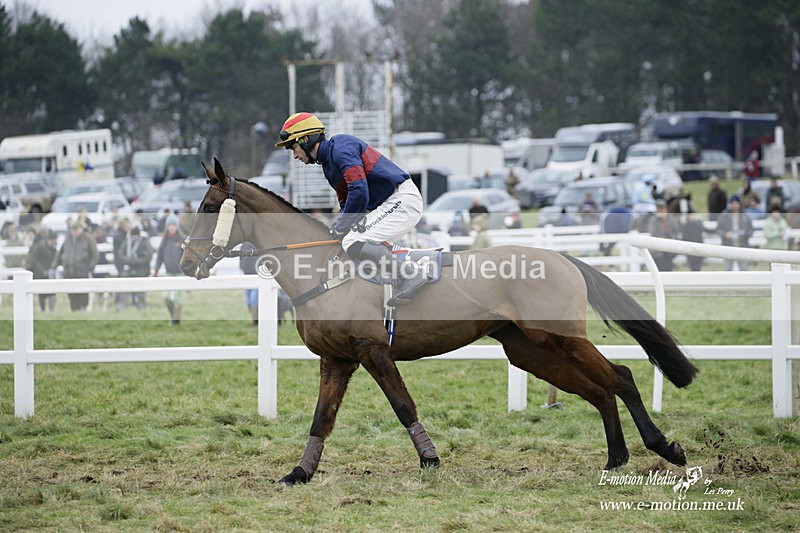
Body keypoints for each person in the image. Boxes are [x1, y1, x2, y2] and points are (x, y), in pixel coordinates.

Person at [275, 112, 425, 305]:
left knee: (354, 240)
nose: (295, 155)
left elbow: (359, 190)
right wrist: (338, 228)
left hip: (402, 200)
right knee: (348, 240)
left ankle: (410, 274)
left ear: (306, 139)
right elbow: (346, 202)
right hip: (390, 203)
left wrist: (341, 226)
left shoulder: (341, 148)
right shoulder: (328, 165)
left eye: (294, 148)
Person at [52, 220, 99, 311]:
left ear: (81, 229)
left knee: (83, 295)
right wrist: (54, 266)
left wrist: (90, 267)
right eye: (72, 230)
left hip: (82, 272)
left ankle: (83, 311)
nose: (74, 232)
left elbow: (95, 255)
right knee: (72, 296)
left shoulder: (88, 239)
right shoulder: (68, 239)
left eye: (76, 229)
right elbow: (60, 253)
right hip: (69, 272)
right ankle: (74, 313)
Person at [154, 215, 185, 325]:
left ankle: (176, 321)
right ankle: (173, 316)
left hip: (179, 274)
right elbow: (159, 257)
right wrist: (156, 271)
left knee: (177, 299)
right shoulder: (164, 241)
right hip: (168, 273)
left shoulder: (182, 240)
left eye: (173, 225)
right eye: (169, 225)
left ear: (176, 226)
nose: (171, 227)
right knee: (166, 297)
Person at [118, 225, 154, 310]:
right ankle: (123, 309)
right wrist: (128, 260)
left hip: (140, 270)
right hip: (128, 270)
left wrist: (138, 261)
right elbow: (120, 254)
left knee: (141, 292)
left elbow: (149, 255)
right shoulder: (127, 242)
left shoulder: (144, 242)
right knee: (124, 291)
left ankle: (142, 309)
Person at [716, 195, 754, 271]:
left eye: (736, 203)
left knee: (743, 269)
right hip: (728, 246)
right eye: (733, 203)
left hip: (742, 245)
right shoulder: (725, 215)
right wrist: (725, 234)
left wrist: (745, 234)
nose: (735, 205)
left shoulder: (744, 216)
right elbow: (718, 229)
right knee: (728, 269)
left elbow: (751, 229)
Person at [25, 230, 58, 311]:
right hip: (40, 273)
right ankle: (43, 310)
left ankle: (51, 311)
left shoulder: (52, 248)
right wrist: (42, 270)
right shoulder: (40, 246)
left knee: (52, 293)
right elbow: (34, 260)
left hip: (48, 273)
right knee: (42, 294)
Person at [646, 200, 681, 271]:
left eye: (662, 209)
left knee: (668, 269)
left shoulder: (671, 219)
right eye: (659, 209)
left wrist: (672, 238)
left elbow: (676, 230)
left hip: (669, 250)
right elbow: (654, 233)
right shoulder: (653, 221)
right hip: (658, 251)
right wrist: (665, 240)